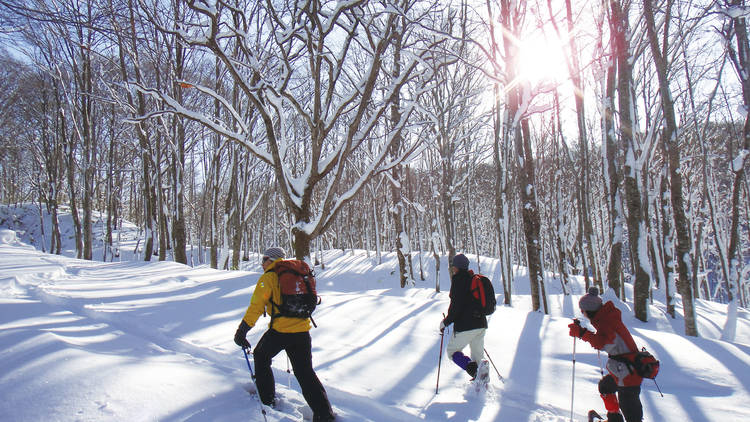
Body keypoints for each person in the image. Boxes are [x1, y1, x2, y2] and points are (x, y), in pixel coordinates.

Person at [234, 247, 334, 422]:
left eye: (264, 259)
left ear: (271, 260)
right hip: (303, 331)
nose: (262, 264)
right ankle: (324, 413)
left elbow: (256, 307)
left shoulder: (270, 277)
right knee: (305, 372)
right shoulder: (298, 273)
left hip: (280, 331)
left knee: (261, 355)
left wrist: (242, 330)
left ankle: (266, 398)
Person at [568, 287, 643, 422]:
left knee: (630, 409)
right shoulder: (605, 318)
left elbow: (602, 343)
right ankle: (614, 419)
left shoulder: (607, 321)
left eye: (583, 310)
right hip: (624, 369)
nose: (582, 313)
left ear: (589, 310)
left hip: (629, 372)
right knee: (606, 386)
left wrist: (581, 333)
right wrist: (583, 332)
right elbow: (603, 338)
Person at [439, 253, 489, 381]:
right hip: (481, 324)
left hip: (466, 325)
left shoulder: (458, 281)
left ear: (457, 267)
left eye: (453, 266)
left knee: (452, 351)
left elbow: (456, 307)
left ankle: (476, 372)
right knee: (478, 356)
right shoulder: (474, 279)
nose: (452, 268)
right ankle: (481, 379)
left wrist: (446, 322)